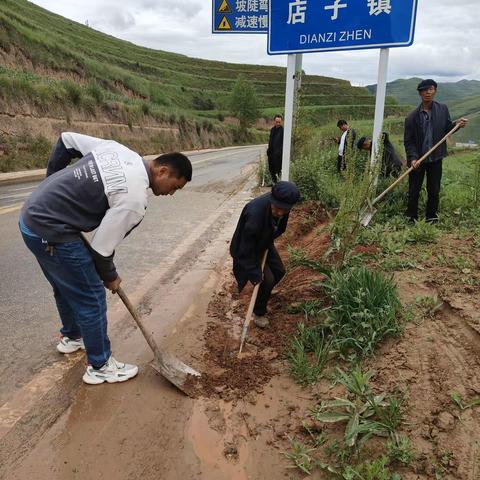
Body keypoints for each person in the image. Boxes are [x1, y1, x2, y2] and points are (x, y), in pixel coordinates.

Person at [19, 132, 192, 385]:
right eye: (175, 187)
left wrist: (50, 184)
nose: (171, 193)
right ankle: (100, 365)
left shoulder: (119, 150)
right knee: (91, 296)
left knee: (66, 283)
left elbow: (66, 140)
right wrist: (111, 277)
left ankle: (72, 337)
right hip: (51, 230)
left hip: (31, 219)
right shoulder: (135, 199)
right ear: (163, 171)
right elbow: (101, 251)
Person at [230, 181, 300, 329]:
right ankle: (259, 312)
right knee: (265, 280)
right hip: (247, 249)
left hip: (264, 242)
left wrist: (270, 235)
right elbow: (245, 249)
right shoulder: (255, 214)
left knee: (279, 271)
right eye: (278, 208)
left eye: (285, 209)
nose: (280, 213)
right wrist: (255, 272)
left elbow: (280, 228)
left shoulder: (283, 206)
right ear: (271, 200)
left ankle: (264, 292)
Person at [404, 79, 468, 223]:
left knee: (434, 189)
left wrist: (456, 125)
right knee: (414, 190)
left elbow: (446, 129)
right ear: (420, 93)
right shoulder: (411, 117)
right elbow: (409, 141)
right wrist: (413, 158)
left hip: (435, 157)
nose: (428, 92)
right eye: (424, 90)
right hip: (418, 160)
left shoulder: (442, 109)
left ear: (435, 91)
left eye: (430, 89)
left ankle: (431, 217)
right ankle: (411, 217)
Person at [266, 115, 284, 184]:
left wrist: (279, 152)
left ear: (281, 122)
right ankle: (274, 182)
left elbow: (283, 143)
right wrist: (268, 151)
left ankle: (278, 183)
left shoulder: (282, 130)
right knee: (271, 169)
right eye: (277, 122)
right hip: (271, 154)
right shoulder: (272, 130)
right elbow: (270, 141)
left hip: (278, 155)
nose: (278, 123)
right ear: (274, 121)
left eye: (279, 122)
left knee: (278, 170)